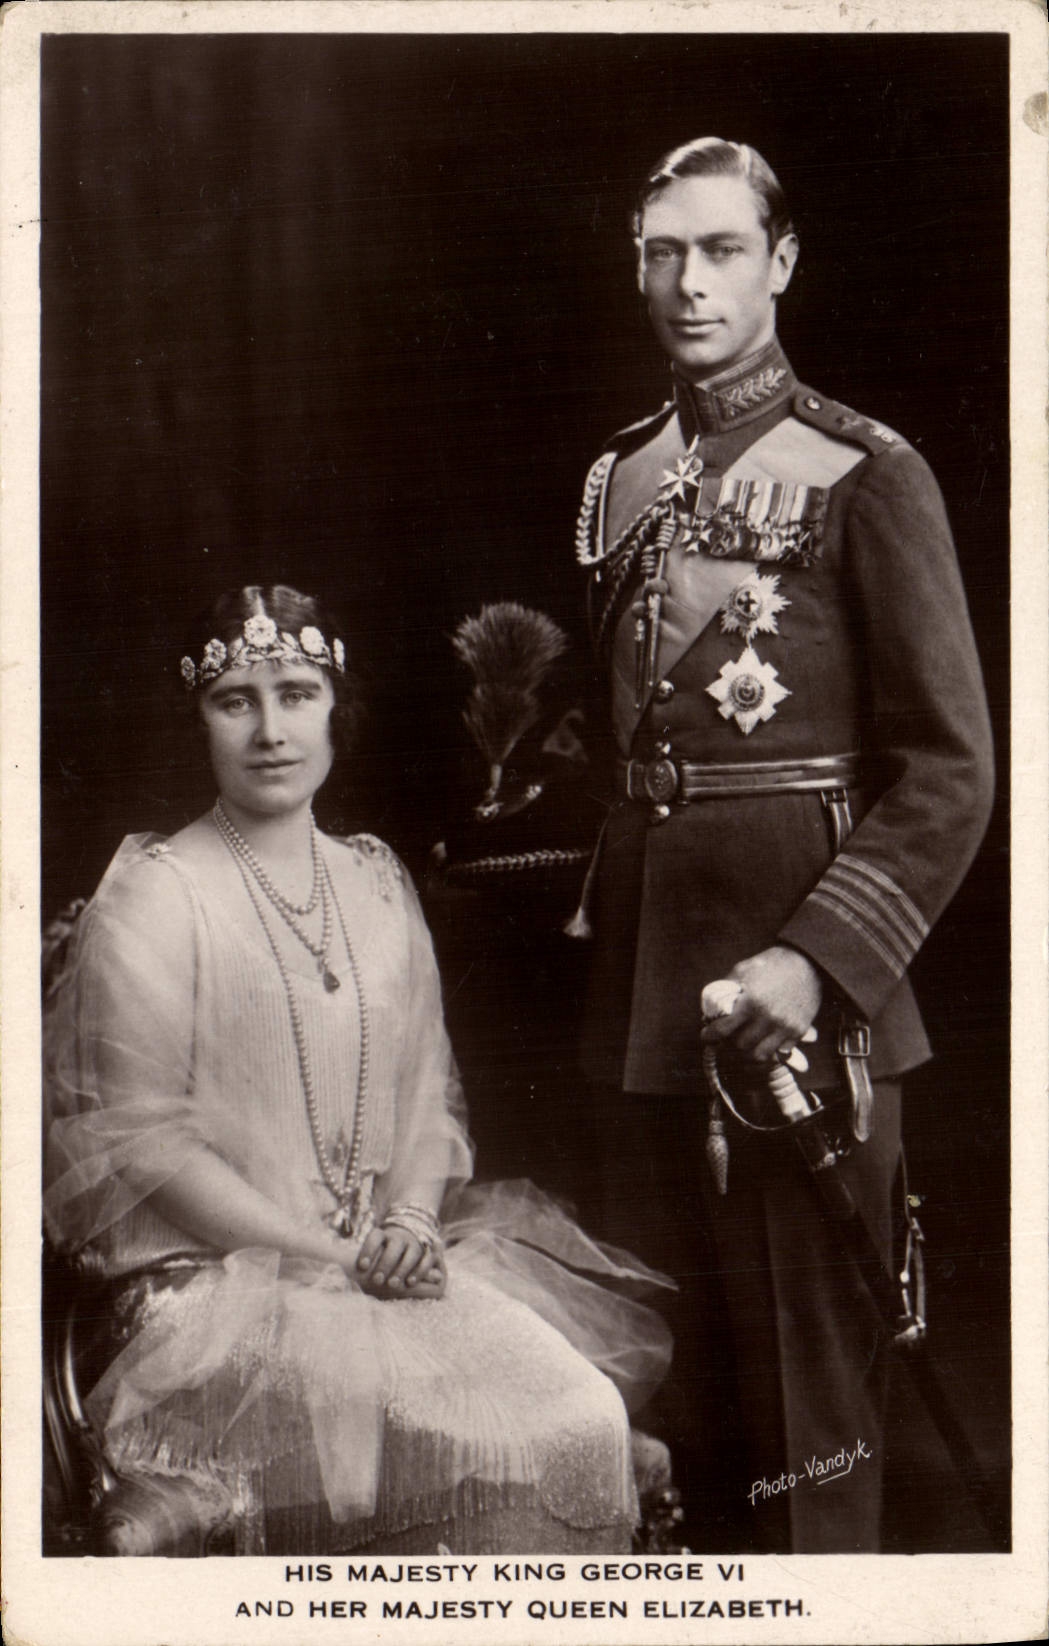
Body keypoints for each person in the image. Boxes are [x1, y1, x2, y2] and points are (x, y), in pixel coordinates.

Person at [43, 583, 672, 1556]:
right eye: (234, 700)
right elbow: (148, 1144)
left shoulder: (378, 881)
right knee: (480, 1429)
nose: (269, 730)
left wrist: (413, 1220)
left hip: (375, 1268)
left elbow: (429, 1099)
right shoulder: (155, 895)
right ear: (198, 718)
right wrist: (337, 1257)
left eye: (296, 691)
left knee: (580, 1410)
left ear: (338, 706)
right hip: (196, 1299)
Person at [571, 138, 994, 1552]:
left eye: (720, 249)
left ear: (783, 260)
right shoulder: (620, 482)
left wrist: (821, 965)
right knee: (664, 1405)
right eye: (660, 253)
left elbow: (951, 772)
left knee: (815, 1427)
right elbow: (639, 750)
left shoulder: (865, 470)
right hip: (639, 999)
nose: (686, 283)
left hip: (799, 1004)